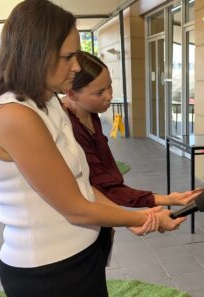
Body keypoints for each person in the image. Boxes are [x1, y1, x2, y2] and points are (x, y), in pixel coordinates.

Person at [0, 1, 160, 296]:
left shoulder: (48, 101)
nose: (76, 66)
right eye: (68, 56)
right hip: (48, 273)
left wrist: (122, 213)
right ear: (34, 54)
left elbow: (81, 184)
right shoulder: (14, 116)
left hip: (81, 256)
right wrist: (141, 217)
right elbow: (75, 208)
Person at [62, 51, 195, 231]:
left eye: (110, 86)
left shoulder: (91, 115)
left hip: (99, 223)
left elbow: (108, 184)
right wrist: (133, 219)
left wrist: (168, 199)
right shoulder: (67, 128)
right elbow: (97, 186)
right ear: (72, 93)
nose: (108, 96)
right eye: (99, 92)